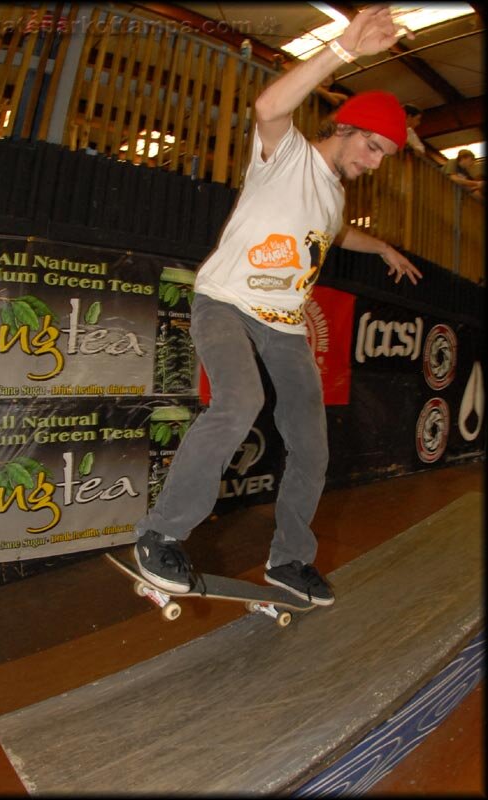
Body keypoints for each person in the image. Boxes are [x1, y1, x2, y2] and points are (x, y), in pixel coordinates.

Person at [134, 5, 423, 606]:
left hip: (285, 326)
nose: (372, 164)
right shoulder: (287, 155)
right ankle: (160, 533)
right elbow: (268, 107)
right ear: (345, 128)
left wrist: (381, 247)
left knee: (312, 445)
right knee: (240, 399)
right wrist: (342, 51)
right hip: (225, 303)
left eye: (382, 157)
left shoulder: (335, 195)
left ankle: (289, 561)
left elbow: (335, 233)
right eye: (372, 148)